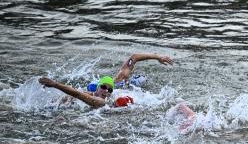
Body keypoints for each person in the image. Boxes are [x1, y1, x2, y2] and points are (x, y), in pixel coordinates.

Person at [38, 53, 173, 109]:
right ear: (97, 86)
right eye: (103, 87)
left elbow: (78, 95)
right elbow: (134, 57)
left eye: (109, 89)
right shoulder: (92, 91)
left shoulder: (102, 102)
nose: (106, 91)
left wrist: (55, 84)